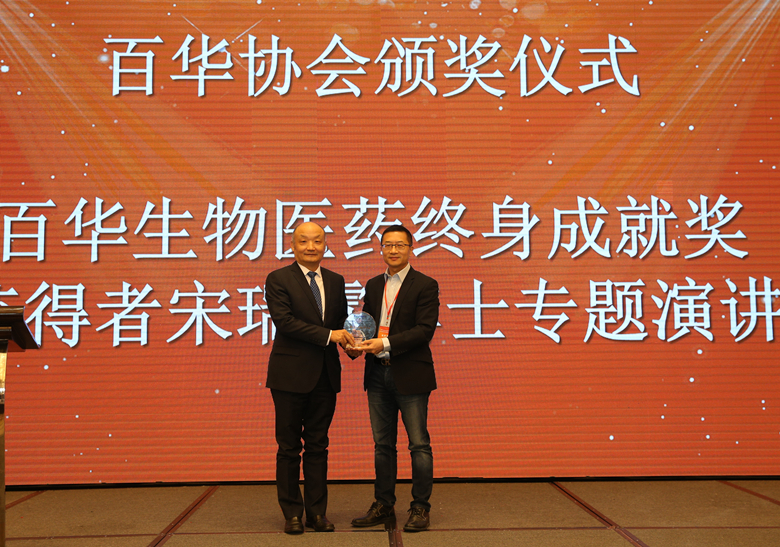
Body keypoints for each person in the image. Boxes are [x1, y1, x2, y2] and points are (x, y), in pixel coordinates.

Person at [264, 222, 355, 535]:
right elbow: (285, 322)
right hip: (289, 376)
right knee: (288, 447)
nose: (311, 247)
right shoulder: (278, 278)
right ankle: (292, 512)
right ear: (293, 245)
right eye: (304, 241)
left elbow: (341, 323)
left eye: (317, 241)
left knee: (318, 446)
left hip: (325, 376)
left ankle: (317, 513)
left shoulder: (336, 280)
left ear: (325, 245)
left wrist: (354, 344)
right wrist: (331, 335)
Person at [349, 224, 439, 533]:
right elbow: (367, 325)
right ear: (381, 249)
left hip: (410, 373)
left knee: (419, 445)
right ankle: (383, 504)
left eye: (400, 245)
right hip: (376, 373)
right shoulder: (374, 285)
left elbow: (424, 330)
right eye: (388, 245)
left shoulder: (425, 284)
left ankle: (420, 507)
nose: (394, 250)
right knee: (382, 445)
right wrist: (356, 343)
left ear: (411, 248)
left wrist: (385, 343)